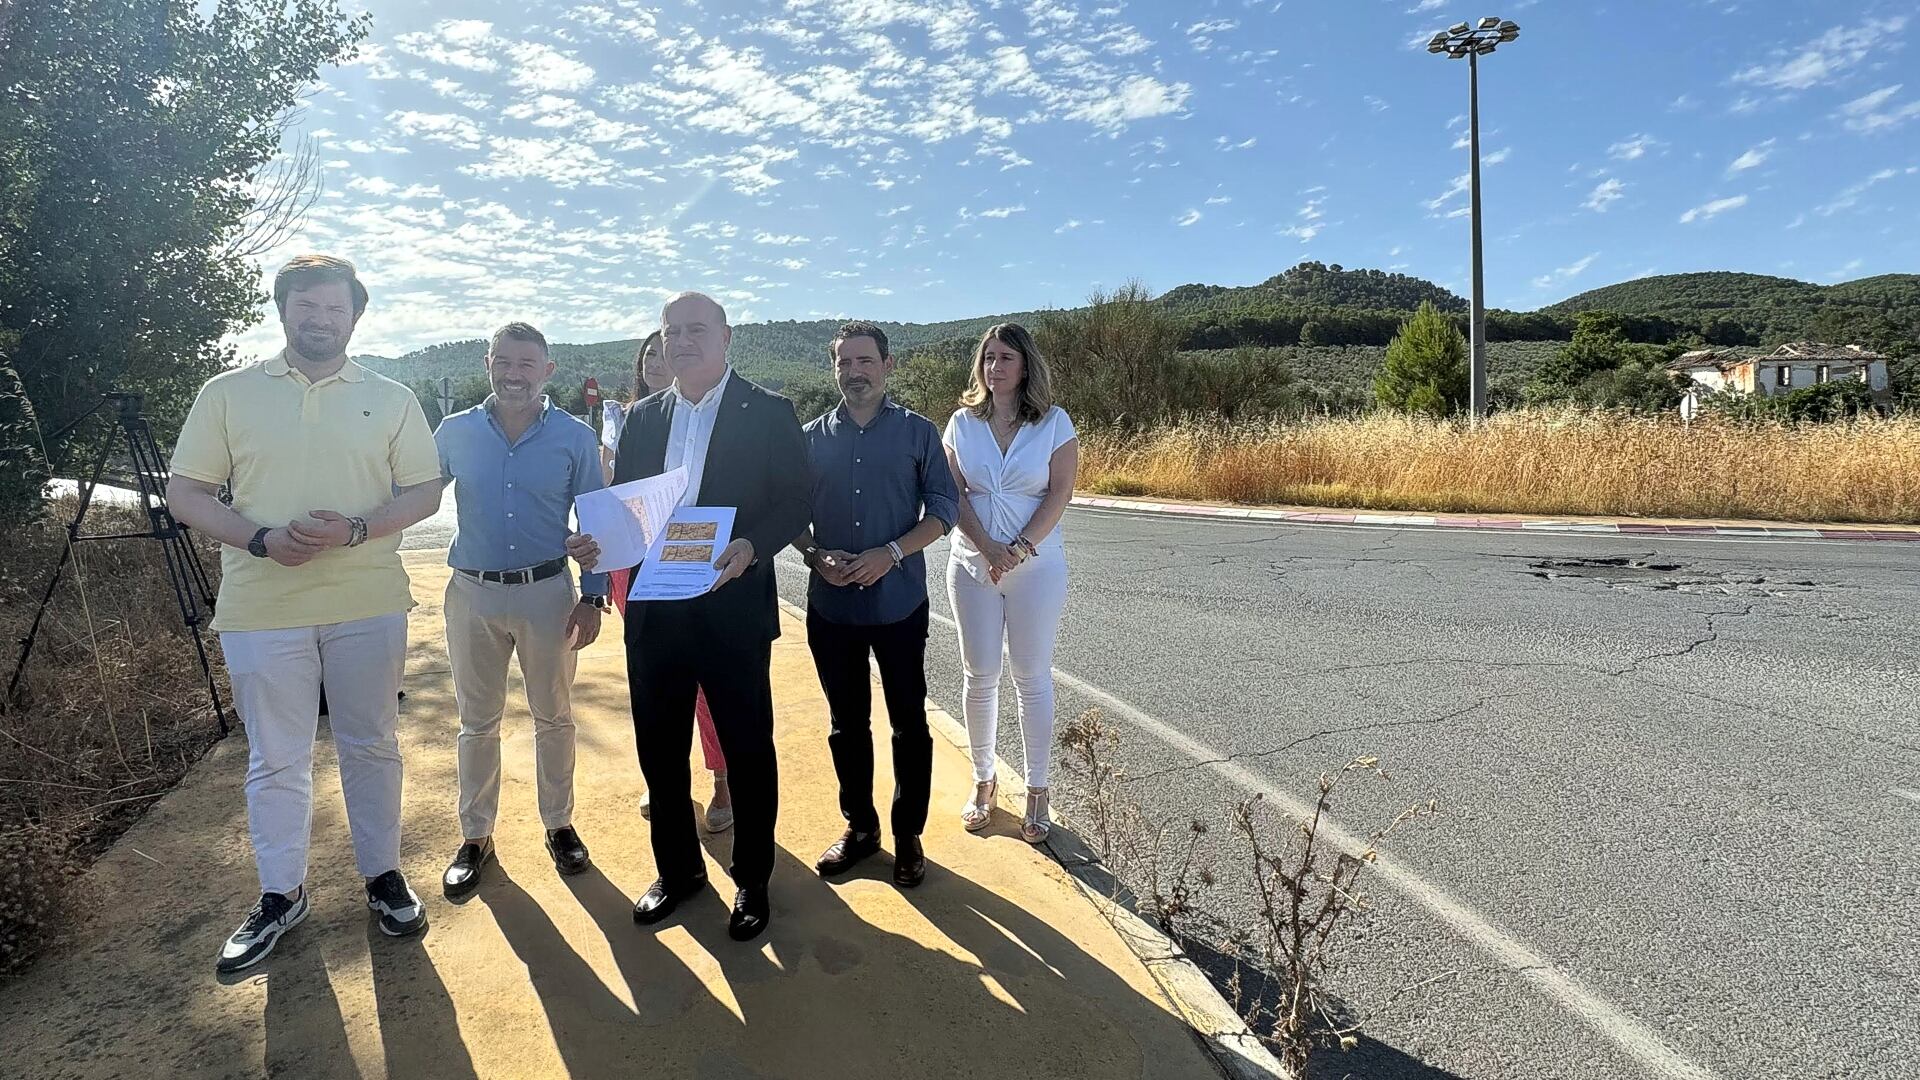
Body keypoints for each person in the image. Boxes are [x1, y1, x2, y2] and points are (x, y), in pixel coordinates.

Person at [166, 254, 445, 974]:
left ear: (355, 316)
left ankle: (383, 877)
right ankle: (280, 895)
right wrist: (261, 540)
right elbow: (188, 493)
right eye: (307, 306)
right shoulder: (226, 394)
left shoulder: (390, 398)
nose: (320, 320)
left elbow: (423, 494)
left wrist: (355, 530)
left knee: (371, 744)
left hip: (367, 603)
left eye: (334, 309)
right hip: (263, 607)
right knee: (277, 759)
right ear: (283, 309)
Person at [567, 291, 807, 942]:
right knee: (660, 751)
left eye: (696, 330)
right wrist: (599, 540)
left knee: (748, 750)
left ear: (727, 337)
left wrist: (754, 544)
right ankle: (678, 875)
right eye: (671, 331)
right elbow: (630, 510)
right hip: (656, 612)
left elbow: (796, 499)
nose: (681, 341)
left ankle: (752, 880)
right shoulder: (642, 418)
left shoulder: (770, 411)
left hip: (732, 610)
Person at [433, 322, 610, 900]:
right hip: (473, 593)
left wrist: (593, 594)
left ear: (547, 370)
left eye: (527, 364)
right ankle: (476, 836)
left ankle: (558, 824)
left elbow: (598, 519)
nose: (514, 374)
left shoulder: (574, 437)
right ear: (487, 364)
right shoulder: (454, 432)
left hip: (547, 594)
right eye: (504, 362)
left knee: (554, 716)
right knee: (476, 721)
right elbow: (409, 494)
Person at [792, 321, 958, 889]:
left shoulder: (918, 434)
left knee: (909, 723)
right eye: (845, 363)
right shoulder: (810, 439)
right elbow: (790, 517)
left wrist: (892, 552)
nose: (855, 372)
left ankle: (908, 835)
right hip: (831, 609)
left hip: (899, 603)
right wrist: (815, 556)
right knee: (846, 724)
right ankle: (860, 829)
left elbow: (943, 510)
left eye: (865, 361)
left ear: (887, 366)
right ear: (834, 369)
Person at [942, 323, 1079, 844]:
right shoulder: (961, 423)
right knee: (980, 675)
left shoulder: (1054, 423)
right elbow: (952, 494)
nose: (994, 367)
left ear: (1025, 366)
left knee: (1032, 676)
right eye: (988, 358)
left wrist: (1017, 550)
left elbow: (1060, 493)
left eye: (1005, 358)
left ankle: (1038, 790)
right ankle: (983, 779)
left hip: (1037, 568)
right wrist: (988, 549)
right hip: (972, 565)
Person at [606, 330, 732, 833]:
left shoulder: (712, 412)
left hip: (697, 555)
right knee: (656, 683)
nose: (659, 360)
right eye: (650, 354)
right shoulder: (629, 419)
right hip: (632, 565)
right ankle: (664, 779)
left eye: (666, 351)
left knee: (706, 682)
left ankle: (723, 778)